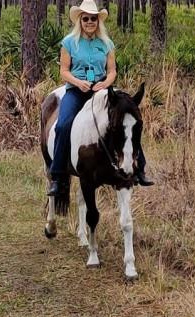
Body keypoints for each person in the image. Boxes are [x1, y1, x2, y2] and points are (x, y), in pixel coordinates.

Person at [47, 0, 154, 196]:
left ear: (98, 21)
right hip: (77, 90)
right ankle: (57, 175)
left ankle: (139, 168)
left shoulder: (106, 44)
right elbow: (63, 71)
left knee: (128, 119)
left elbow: (112, 71)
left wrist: (106, 83)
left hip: (101, 89)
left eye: (93, 19)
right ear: (80, 20)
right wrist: (78, 82)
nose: (90, 22)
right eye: (86, 18)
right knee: (63, 125)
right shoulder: (69, 42)